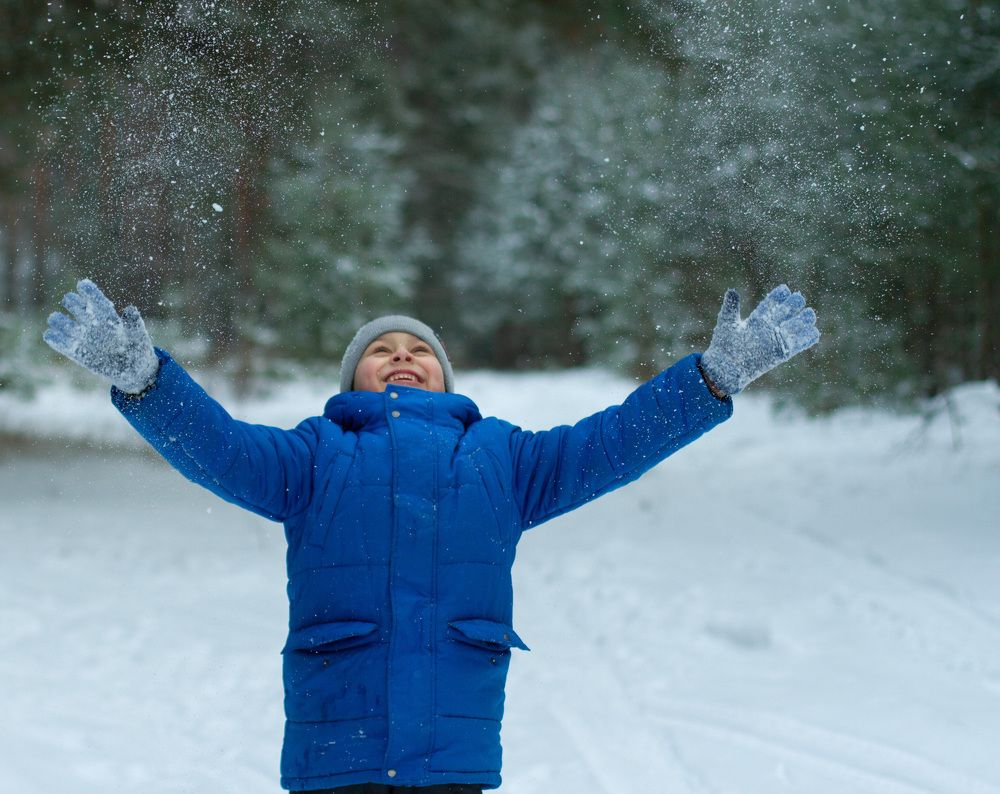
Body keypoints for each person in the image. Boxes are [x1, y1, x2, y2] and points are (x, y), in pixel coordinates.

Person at [43, 278, 819, 793]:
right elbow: (217, 446)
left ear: (446, 378)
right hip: (337, 745)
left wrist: (710, 379)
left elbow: (615, 441)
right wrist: (146, 382)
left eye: (419, 351)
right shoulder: (312, 455)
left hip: (455, 750)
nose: (402, 357)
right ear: (353, 380)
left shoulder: (506, 457)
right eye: (382, 350)